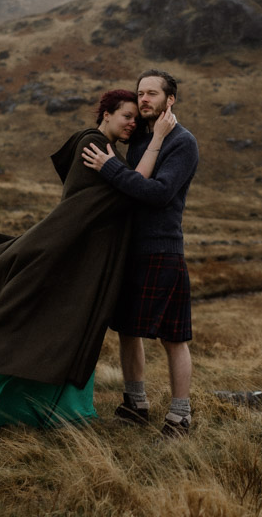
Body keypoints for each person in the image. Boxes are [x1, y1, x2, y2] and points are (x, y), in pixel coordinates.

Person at [0, 89, 174, 432]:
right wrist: (159, 136)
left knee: (64, 333)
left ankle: (48, 411)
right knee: (38, 331)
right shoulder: (94, 144)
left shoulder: (106, 150)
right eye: (126, 116)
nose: (133, 123)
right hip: (67, 258)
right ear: (106, 114)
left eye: (136, 118)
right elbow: (135, 186)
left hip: (79, 261)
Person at [82, 69, 199, 438]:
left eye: (152, 93)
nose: (144, 99)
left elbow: (158, 193)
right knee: (127, 330)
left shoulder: (182, 142)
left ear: (170, 100)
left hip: (163, 248)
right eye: (140, 93)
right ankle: (136, 404)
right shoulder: (140, 139)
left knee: (174, 336)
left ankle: (180, 415)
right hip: (130, 248)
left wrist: (111, 168)